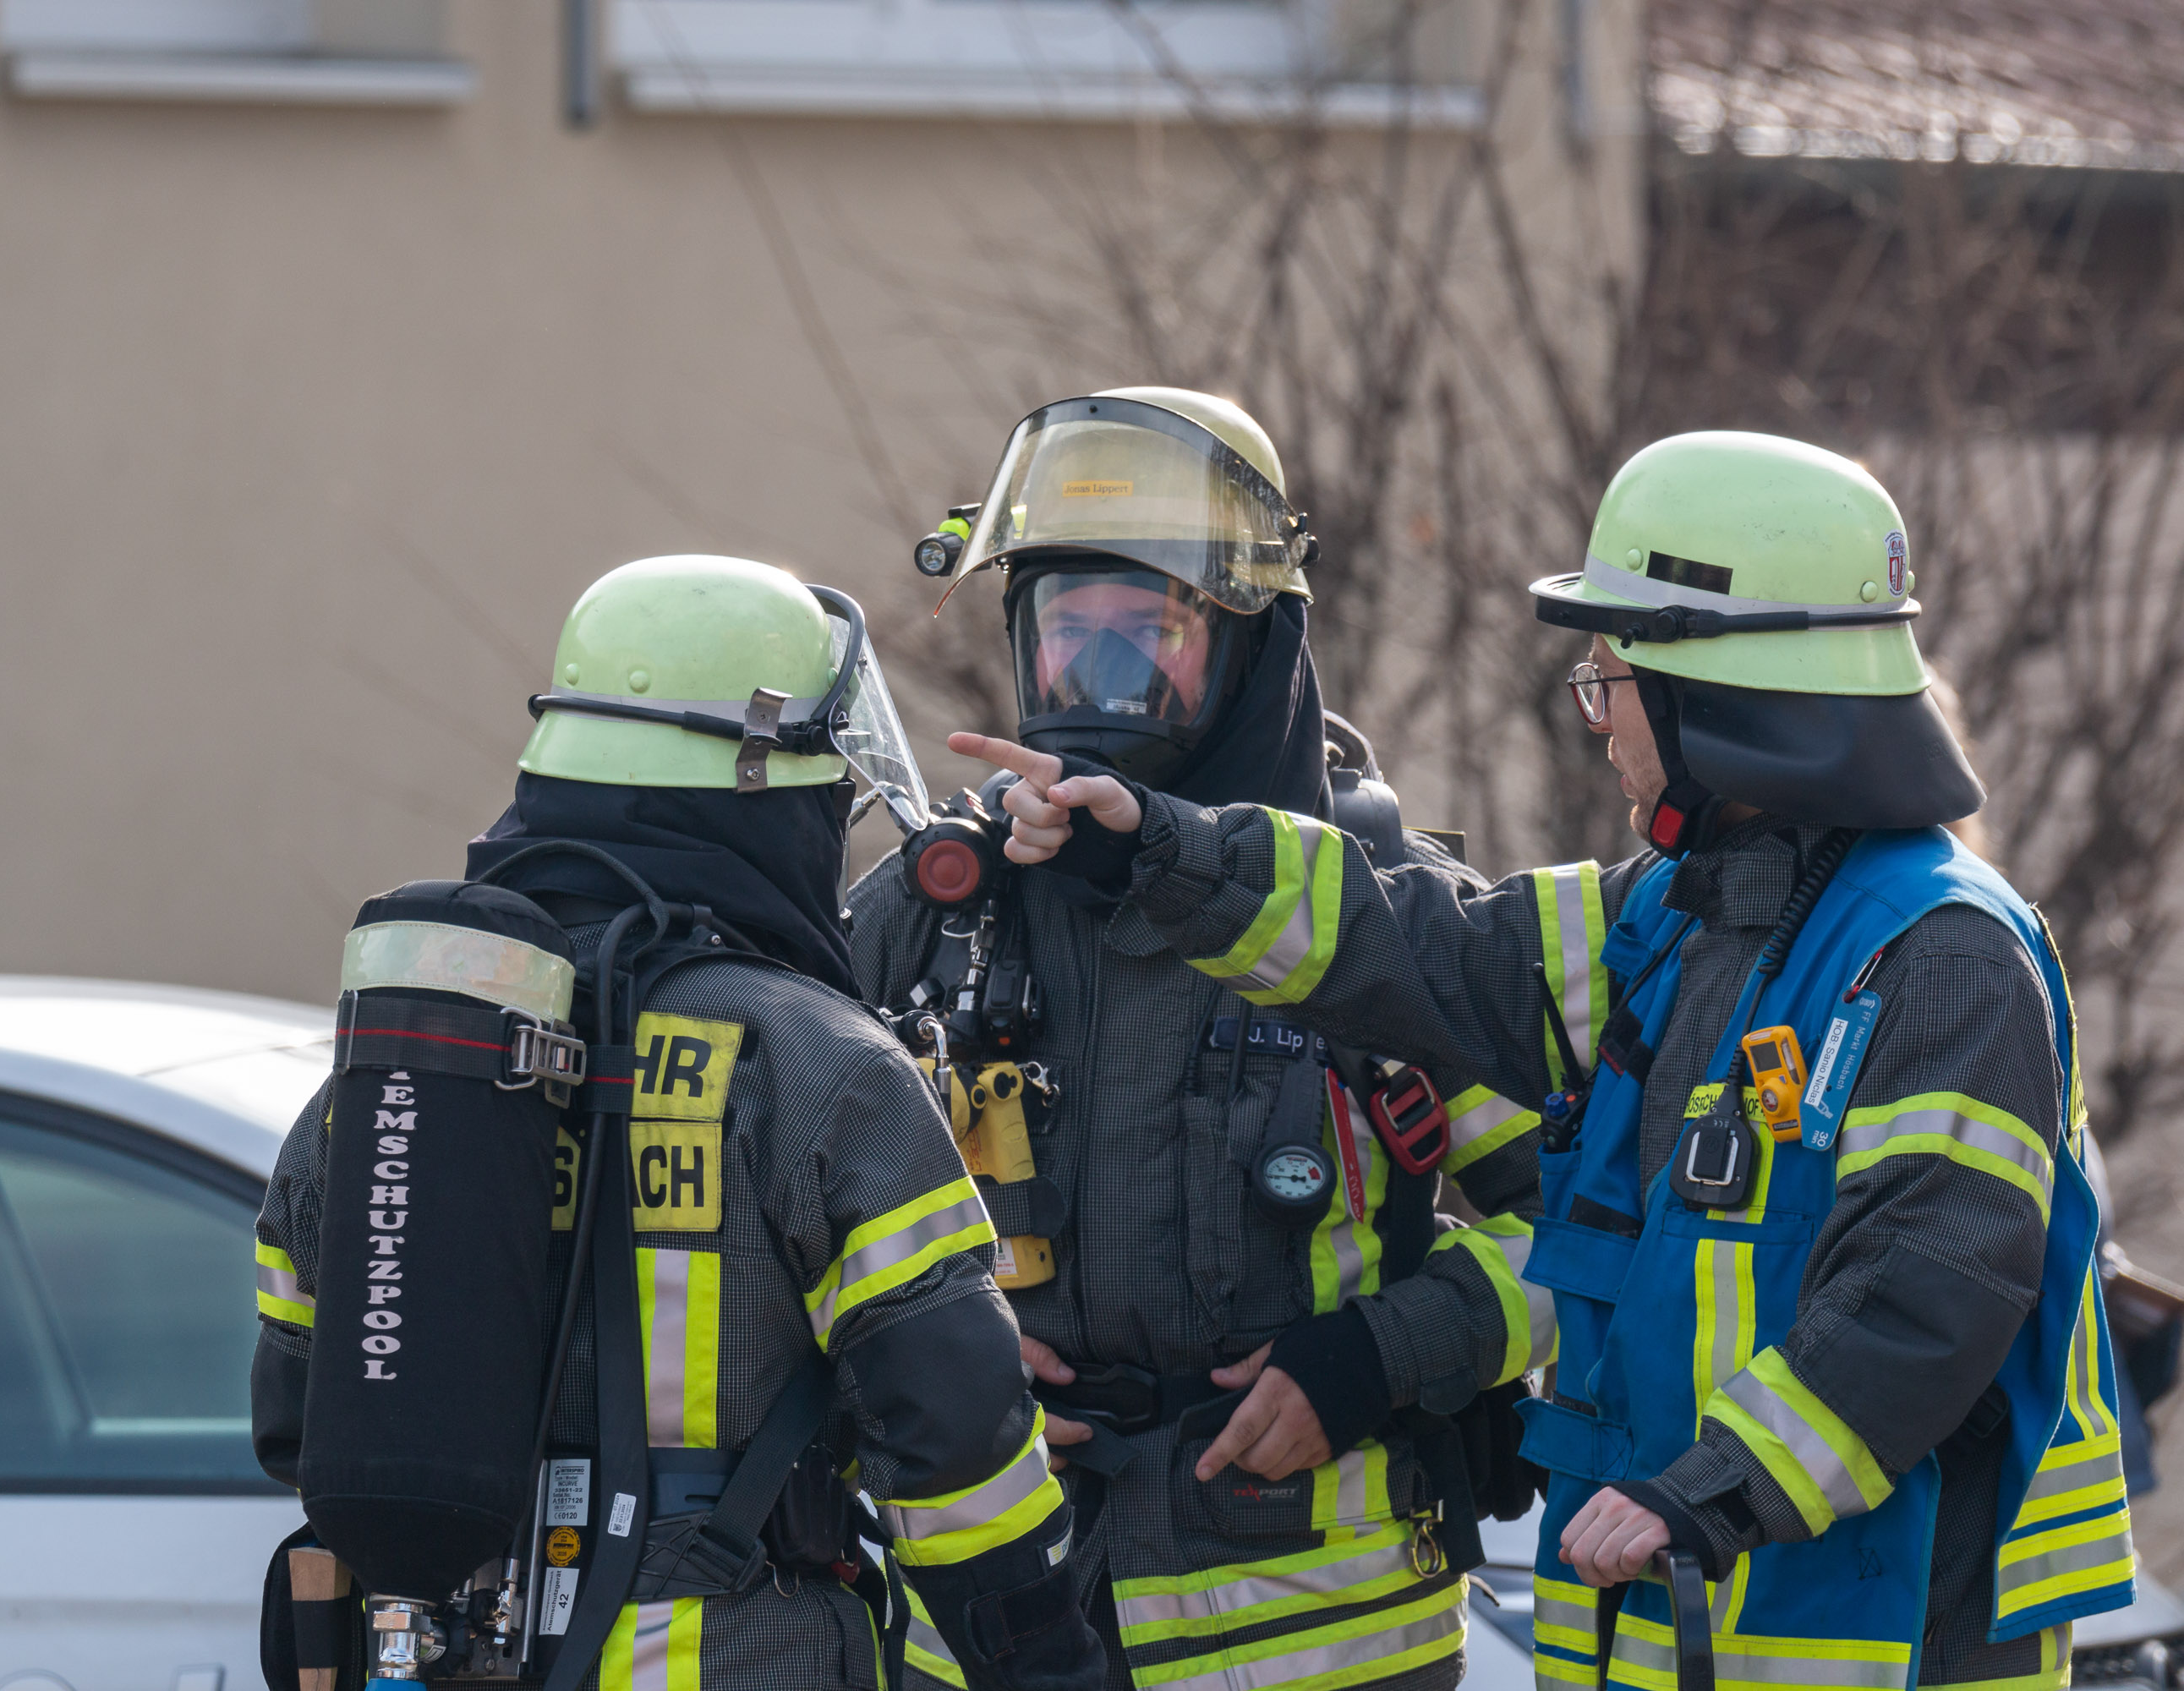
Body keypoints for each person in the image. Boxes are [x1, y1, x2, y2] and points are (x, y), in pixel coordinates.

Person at [959, 431, 2137, 1688]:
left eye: (1607, 680)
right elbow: (1429, 951)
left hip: (1870, 1629)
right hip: (1668, 1613)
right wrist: (1160, 851)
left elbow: (1927, 1292)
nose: (1598, 723)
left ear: (1712, 690)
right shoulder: (1675, 915)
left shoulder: (1944, 956)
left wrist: (1712, 1493)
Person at [251, 555, 1107, 1691]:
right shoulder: (819, 1067)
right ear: (769, 797)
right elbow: (956, 1443)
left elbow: (289, 1407)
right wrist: (1046, 1666)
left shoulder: (413, 1061)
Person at [852, 389, 1552, 1691]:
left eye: (1148, 632)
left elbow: (1593, 1228)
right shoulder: (939, 907)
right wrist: (936, 1359)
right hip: (995, 1633)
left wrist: (1378, 1360)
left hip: (1319, 1648)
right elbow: (774, 1236)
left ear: (1249, 646)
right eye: (1071, 632)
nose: (1100, 677)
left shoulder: (1373, 919)